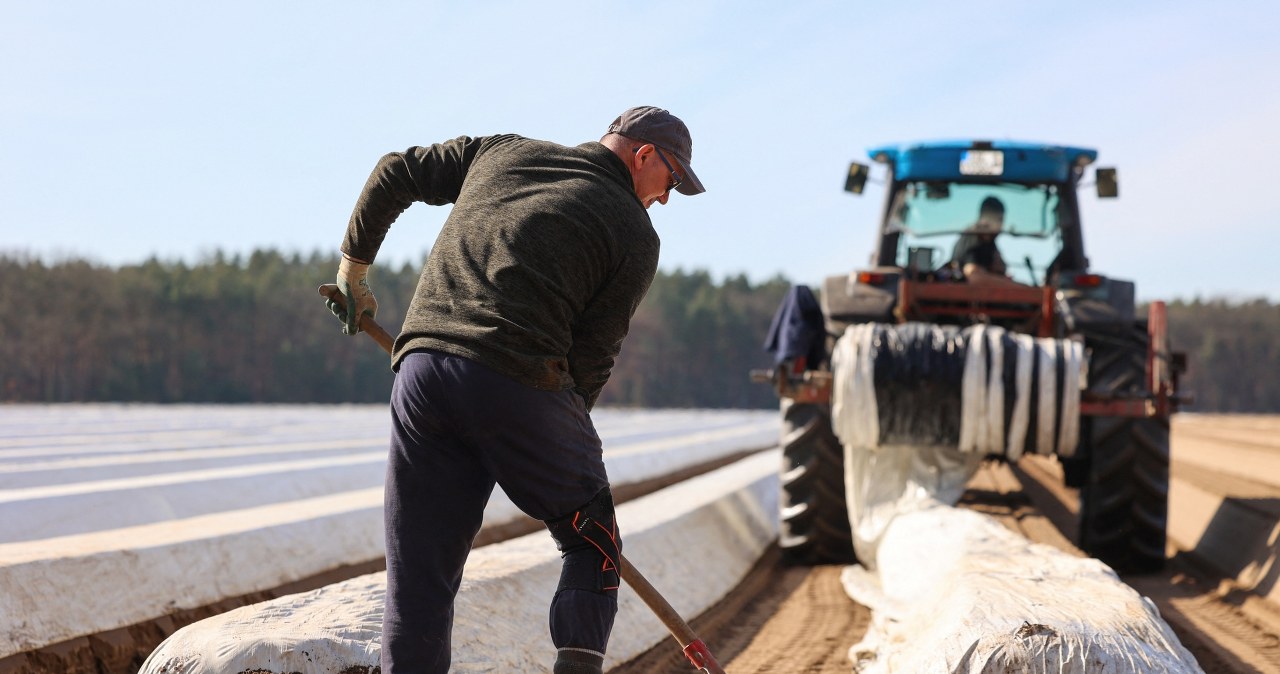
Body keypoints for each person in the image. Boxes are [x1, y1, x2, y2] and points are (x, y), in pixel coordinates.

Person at [326, 106, 705, 674]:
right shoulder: (633, 232)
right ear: (644, 154)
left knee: (420, 581)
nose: (667, 197)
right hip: (518, 382)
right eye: (671, 180)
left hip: (422, 371)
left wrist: (353, 273)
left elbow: (394, 170)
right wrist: (553, 449)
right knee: (590, 544)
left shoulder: (501, 152)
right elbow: (590, 362)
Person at [950, 196, 1011, 283]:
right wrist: (1018, 287)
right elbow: (973, 275)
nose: (1002, 226)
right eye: (1000, 220)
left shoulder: (989, 241)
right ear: (988, 219)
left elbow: (1000, 266)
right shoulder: (972, 238)